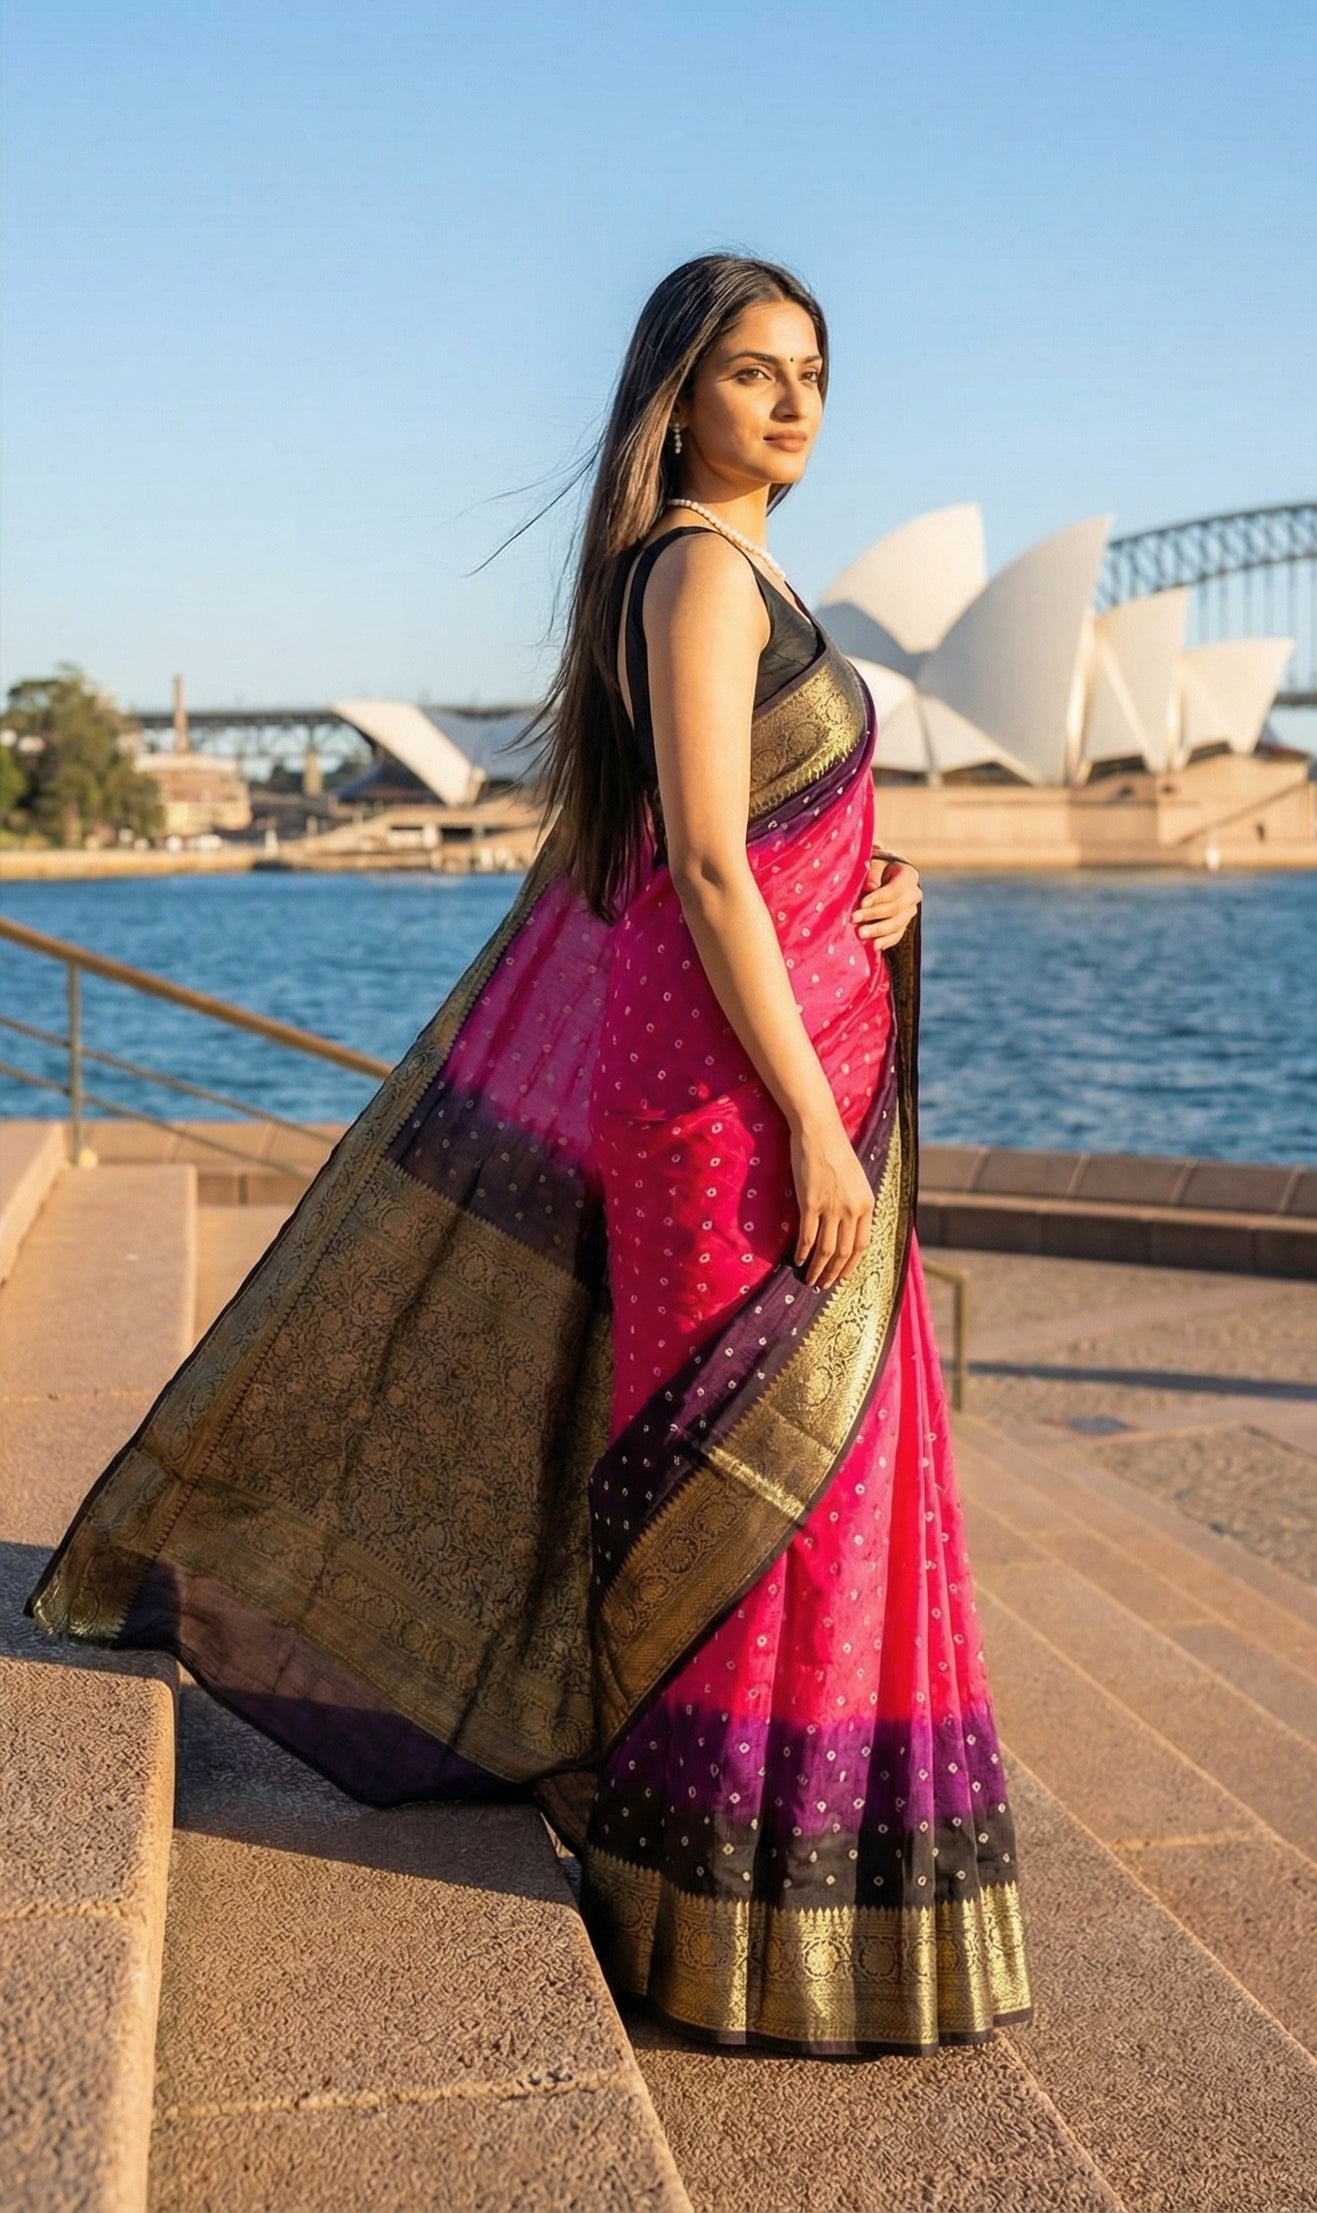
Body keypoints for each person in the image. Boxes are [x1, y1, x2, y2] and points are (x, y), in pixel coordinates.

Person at [29, 253, 1031, 2055]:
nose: (792, 403)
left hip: (785, 1053)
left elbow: (768, 844)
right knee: (750, 1473)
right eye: (750, 373)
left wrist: (884, 881)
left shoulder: (758, 571)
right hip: (735, 1093)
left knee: (817, 1474)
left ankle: (783, 1876)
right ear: (676, 395)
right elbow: (710, 864)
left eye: (812, 370)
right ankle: (718, 1899)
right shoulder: (698, 573)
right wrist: (808, 1110)